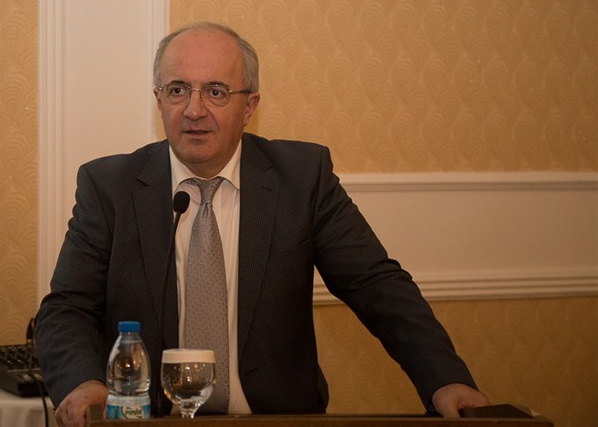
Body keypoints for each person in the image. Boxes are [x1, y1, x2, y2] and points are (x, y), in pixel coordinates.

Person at [36, 22, 490, 427]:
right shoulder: (110, 187)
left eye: (216, 92)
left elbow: (377, 286)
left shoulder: (302, 178)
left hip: (276, 421)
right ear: (159, 99)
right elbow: (67, 309)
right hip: (149, 422)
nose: (193, 110)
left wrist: (445, 380)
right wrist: (83, 384)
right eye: (177, 90)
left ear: (249, 105)